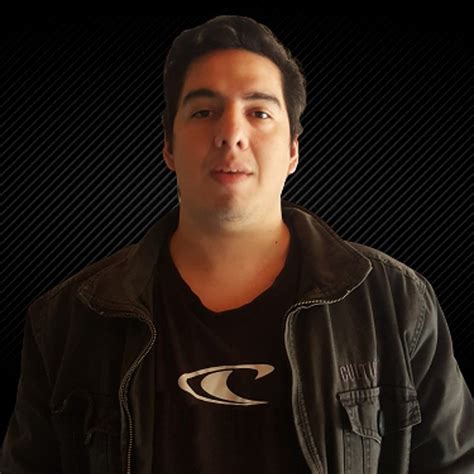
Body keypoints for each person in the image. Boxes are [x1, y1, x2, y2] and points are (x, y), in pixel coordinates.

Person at [0, 14, 473, 474]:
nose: (230, 134)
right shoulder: (67, 321)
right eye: (204, 112)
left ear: (293, 150)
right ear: (168, 146)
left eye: (259, 112)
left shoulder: (397, 303)